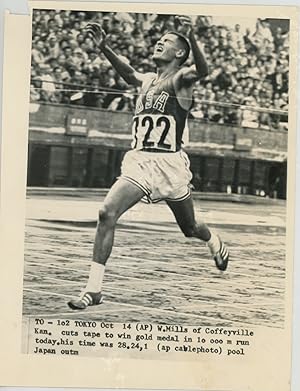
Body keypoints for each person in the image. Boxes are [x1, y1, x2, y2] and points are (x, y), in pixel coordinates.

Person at [68, 16, 230, 310]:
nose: (159, 43)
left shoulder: (181, 80)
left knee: (190, 227)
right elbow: (129, 73)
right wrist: (105, 49)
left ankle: (214, 241)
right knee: (107, 212)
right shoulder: (146, 80)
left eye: (167, 42)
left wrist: (191, 37)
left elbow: (203, 70)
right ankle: (94, 289)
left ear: (180, 53)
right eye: (160, 40)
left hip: (170, 166)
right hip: (141, 162)